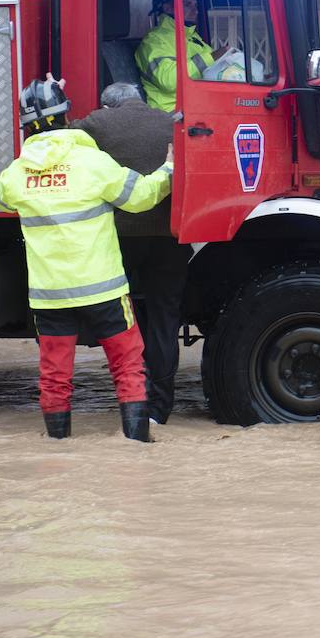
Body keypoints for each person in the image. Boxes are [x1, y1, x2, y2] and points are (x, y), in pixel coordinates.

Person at [0, 75, 173, 441]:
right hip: (103, 291)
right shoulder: (91, 163)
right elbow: (142, 197)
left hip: (50, 295)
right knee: (127, 366)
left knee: (55, 374)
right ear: (65, 117)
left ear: (26, 127)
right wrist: (168, 168)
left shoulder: (17, 173)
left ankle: (59, 446)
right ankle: (137, 444)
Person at [75, 82, 192, 425]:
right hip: (170, 240)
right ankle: (161, 407)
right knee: (164, 319)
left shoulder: (96, 123)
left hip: (119, 242)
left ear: (108, 106)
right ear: (139, 100)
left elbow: (56, 141)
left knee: (123, 321)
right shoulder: (170, 122)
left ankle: (132, 400)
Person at [134, 0, 218, 112]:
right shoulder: (154, 42)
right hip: (171, 114)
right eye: (188, 4)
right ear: (167, 7)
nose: (195, 11)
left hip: (194, 107)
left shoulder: (190, 36)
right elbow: (170, 81)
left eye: (196, 6)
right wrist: (212, 57)